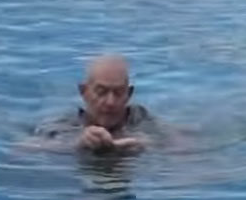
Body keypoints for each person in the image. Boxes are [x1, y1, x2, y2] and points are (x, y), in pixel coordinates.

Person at [32, 54, 161, 154]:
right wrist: (77, 144)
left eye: (118, 93)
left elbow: (172, 147)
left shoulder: (144, 122)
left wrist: (146, 146)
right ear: (84, 92)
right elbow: (27, 149)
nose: (110, 102)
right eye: (101, 92)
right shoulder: (64, 125)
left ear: (129, 94)